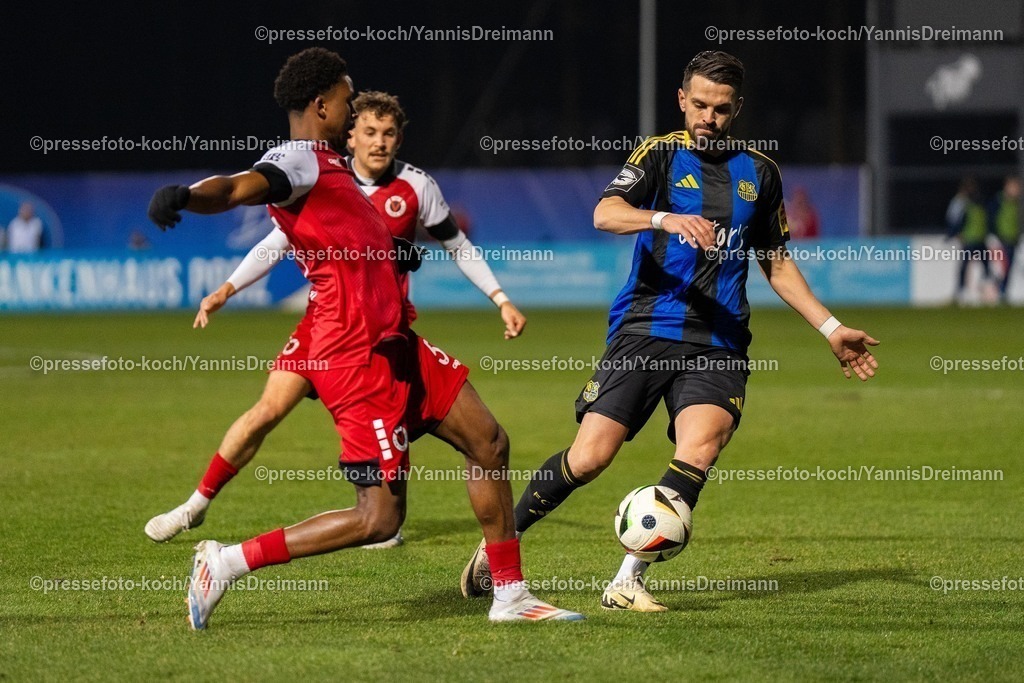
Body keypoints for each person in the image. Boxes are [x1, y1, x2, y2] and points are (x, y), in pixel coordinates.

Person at [146, 47, 581, 627]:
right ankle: (226, 561)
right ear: (320, 104)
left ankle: (510, 595)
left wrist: (389, 252)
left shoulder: (337, 170)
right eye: (348, 103)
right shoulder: (299, 160)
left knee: (489, 442)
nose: (354, 115)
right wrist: (188, 196)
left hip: (397, 340)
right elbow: (236, 188)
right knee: (380, 518)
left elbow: (350, 235)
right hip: (354, 354)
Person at [460, 50, 880, 612]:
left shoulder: (762, 173)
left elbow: (775, 261)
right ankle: (499, 547)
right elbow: (605, 213)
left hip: (720, 341)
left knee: (700, 448)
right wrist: (662, 217)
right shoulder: (659, 155)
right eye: (700, 104)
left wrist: (829, 327)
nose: (709, 117)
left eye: (721, 108)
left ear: (737, 109)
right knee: (590, 458)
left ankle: (627, 579)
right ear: (683, 100)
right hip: (646, 329)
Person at [144, 90, 526, 551]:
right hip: (328, 328)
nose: (379, 142)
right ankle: (196, 505)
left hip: (382, 332)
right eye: (368, 131)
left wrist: (499, 297)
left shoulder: (416, 186)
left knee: (436, 434)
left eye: (388, 134)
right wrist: (227, 288)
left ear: (400, 138)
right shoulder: (324, 175)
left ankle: (381, 516)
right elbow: (275, 238)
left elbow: (456, 245)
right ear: (351, 134)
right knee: (266, 412)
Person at [946, 177, 991, 303]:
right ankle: (961, 291)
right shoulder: (962, 202)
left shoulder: (976, 203)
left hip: (979, 239)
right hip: (969, 240)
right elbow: (954, 220)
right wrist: (955, 233)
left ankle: (985, 292)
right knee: (965, 266)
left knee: (985, 267)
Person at [990, 176, 1021, 302]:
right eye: (1014, 186)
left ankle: (1002, 291)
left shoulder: (1018, 203)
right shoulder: (999, 201)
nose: (1017, 190)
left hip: (1013, 239)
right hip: (1000, 239)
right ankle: (997, 289)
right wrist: (994, 235)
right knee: (1002, 267)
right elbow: (991, 218)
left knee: (1008, 267)